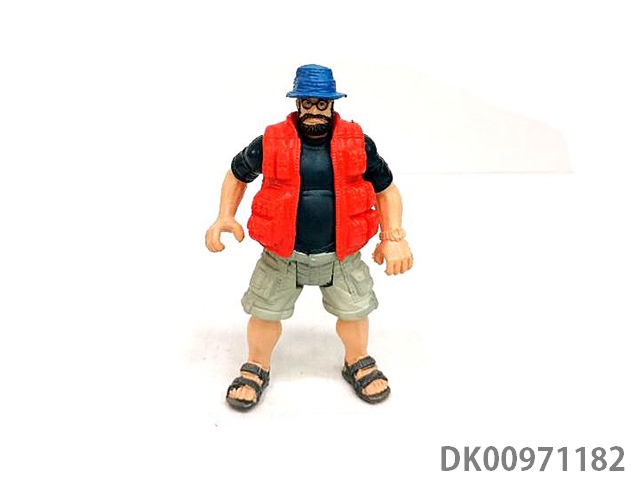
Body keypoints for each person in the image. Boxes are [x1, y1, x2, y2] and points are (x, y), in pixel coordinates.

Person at [205, 64, 413, 410]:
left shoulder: (358, 144)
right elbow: (237, 174)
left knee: (355, 312)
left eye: (322, 104)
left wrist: (393, 236)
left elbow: (387, 190)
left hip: (341, 255)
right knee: (264, 313)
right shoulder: (270, 142)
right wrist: (225, 216)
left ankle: (357, 360)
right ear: (297, 102)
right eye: (307, 103)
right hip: (282, 256)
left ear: (332, 105)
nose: (314, 110)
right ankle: (256, 365)